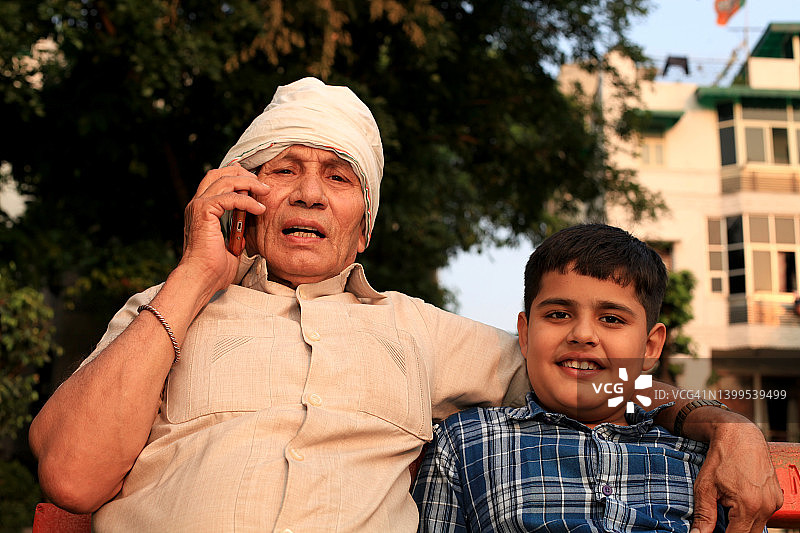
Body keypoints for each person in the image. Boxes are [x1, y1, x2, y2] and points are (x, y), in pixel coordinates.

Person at [29, 79, 781, 532]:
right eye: (283, 169)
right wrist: (196, 274)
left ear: (363, 229)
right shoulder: (163, 313)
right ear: (244, 200)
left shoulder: (417, 330)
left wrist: (725, 423)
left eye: (338, 176)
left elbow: (589, 376)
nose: (310, 192)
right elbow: (71, 474)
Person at [411, 224, 748, 532]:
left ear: (649, 346)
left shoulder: (701, 459)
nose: (583, 334)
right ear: (525, 335)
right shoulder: (468, 442)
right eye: (558, 314)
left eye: (612, 319)